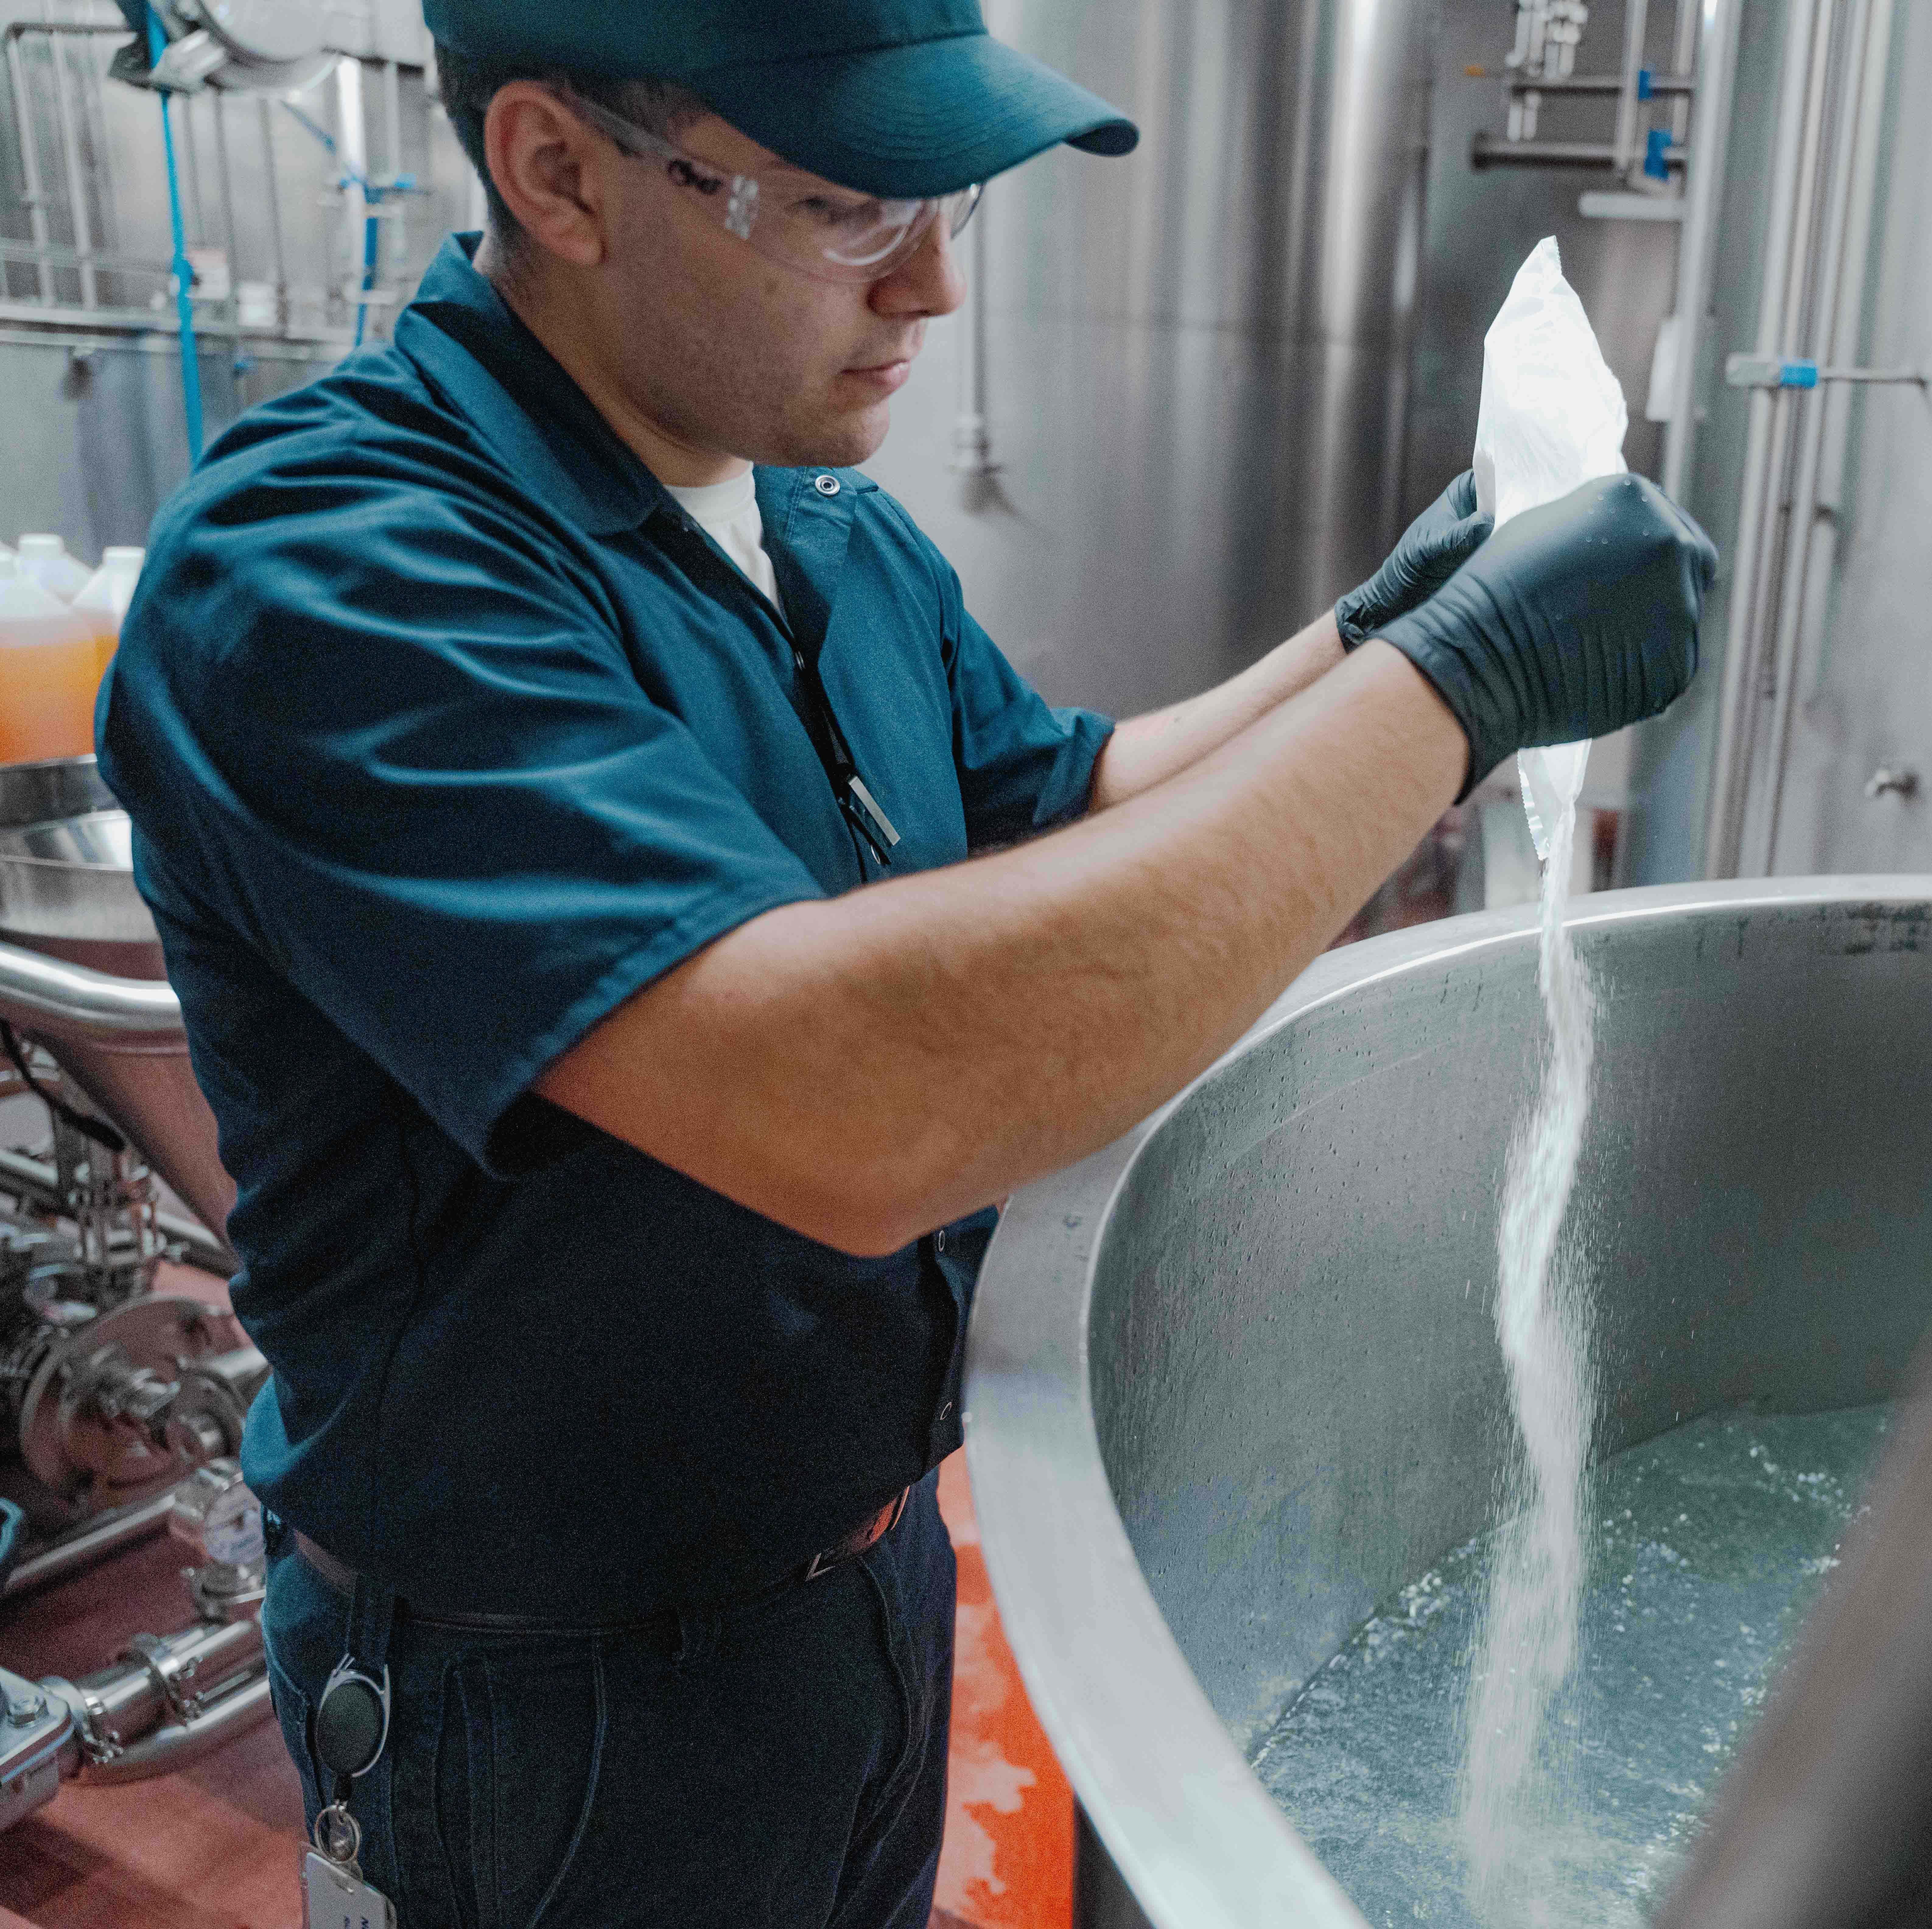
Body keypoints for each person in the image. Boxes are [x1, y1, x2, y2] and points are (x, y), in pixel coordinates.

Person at [92, 0, 1712, 1920]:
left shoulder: (818, 524)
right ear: (558, 172)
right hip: (544, 1701)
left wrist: (1372, 635)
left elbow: (1061, 806)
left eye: (951, 205)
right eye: (852, 208)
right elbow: (858, 1101)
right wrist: (1455, 693)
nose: (934, 287)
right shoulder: (328, 574)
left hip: (859, 1588)